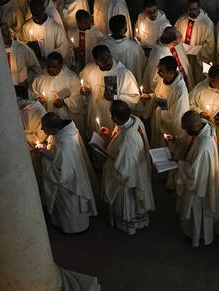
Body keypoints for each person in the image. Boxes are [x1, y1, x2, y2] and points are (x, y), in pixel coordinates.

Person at [35, 113, 97, 234]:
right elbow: (59, 157)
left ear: (53, 129)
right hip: (73, 174)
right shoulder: (63, 133)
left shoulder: (65, 144)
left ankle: (74, 227)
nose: (42, 129)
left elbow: (61, 175)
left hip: (70, 185)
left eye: (44, 127)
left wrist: (44, 160)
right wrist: (46, 151)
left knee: (69, 206)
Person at [169, 110, 219, 247]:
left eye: (186, 130)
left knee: (198, 210)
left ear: (193, 128)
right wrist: (176, 141)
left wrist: (179, 164)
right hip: (204, 176)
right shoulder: (205, 127)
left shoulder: (204, 146)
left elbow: (194, 174)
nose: (186, 133)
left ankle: (196, 235)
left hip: (200, 185)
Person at [101, 101, 154, 235]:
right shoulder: (133, 121)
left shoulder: (129, 138)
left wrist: (108, 162)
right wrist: (110, 135)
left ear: (115, 118)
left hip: (129, 180)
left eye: (111, 115)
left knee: (128, 201)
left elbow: (122, 171)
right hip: (135, 168)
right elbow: (120, 139)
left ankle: (129, 224)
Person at [79, 45, 140, 136]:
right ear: (96, 61)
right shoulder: (89, 69)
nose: (107, 61)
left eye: (108, 57)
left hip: (112, 116)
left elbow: (134, 98)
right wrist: (85, 90)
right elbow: (85, 84)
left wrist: (116, 97)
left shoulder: (123, 73)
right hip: (95, 112)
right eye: (103, 60)